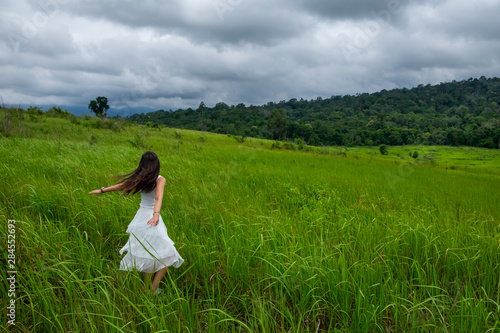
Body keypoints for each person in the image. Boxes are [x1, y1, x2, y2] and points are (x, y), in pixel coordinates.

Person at [89, 151, 184, 294]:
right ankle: (151, 289)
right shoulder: (160, 179)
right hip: (152, 218)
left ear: (142, 165)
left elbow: (121, 186)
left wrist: (102, 190)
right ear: (157, 165)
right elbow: (158, 198)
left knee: (150, 252)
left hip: (142, 218)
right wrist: (156, 214)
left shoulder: (141, 178)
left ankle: (147, 288)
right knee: (169, 254)